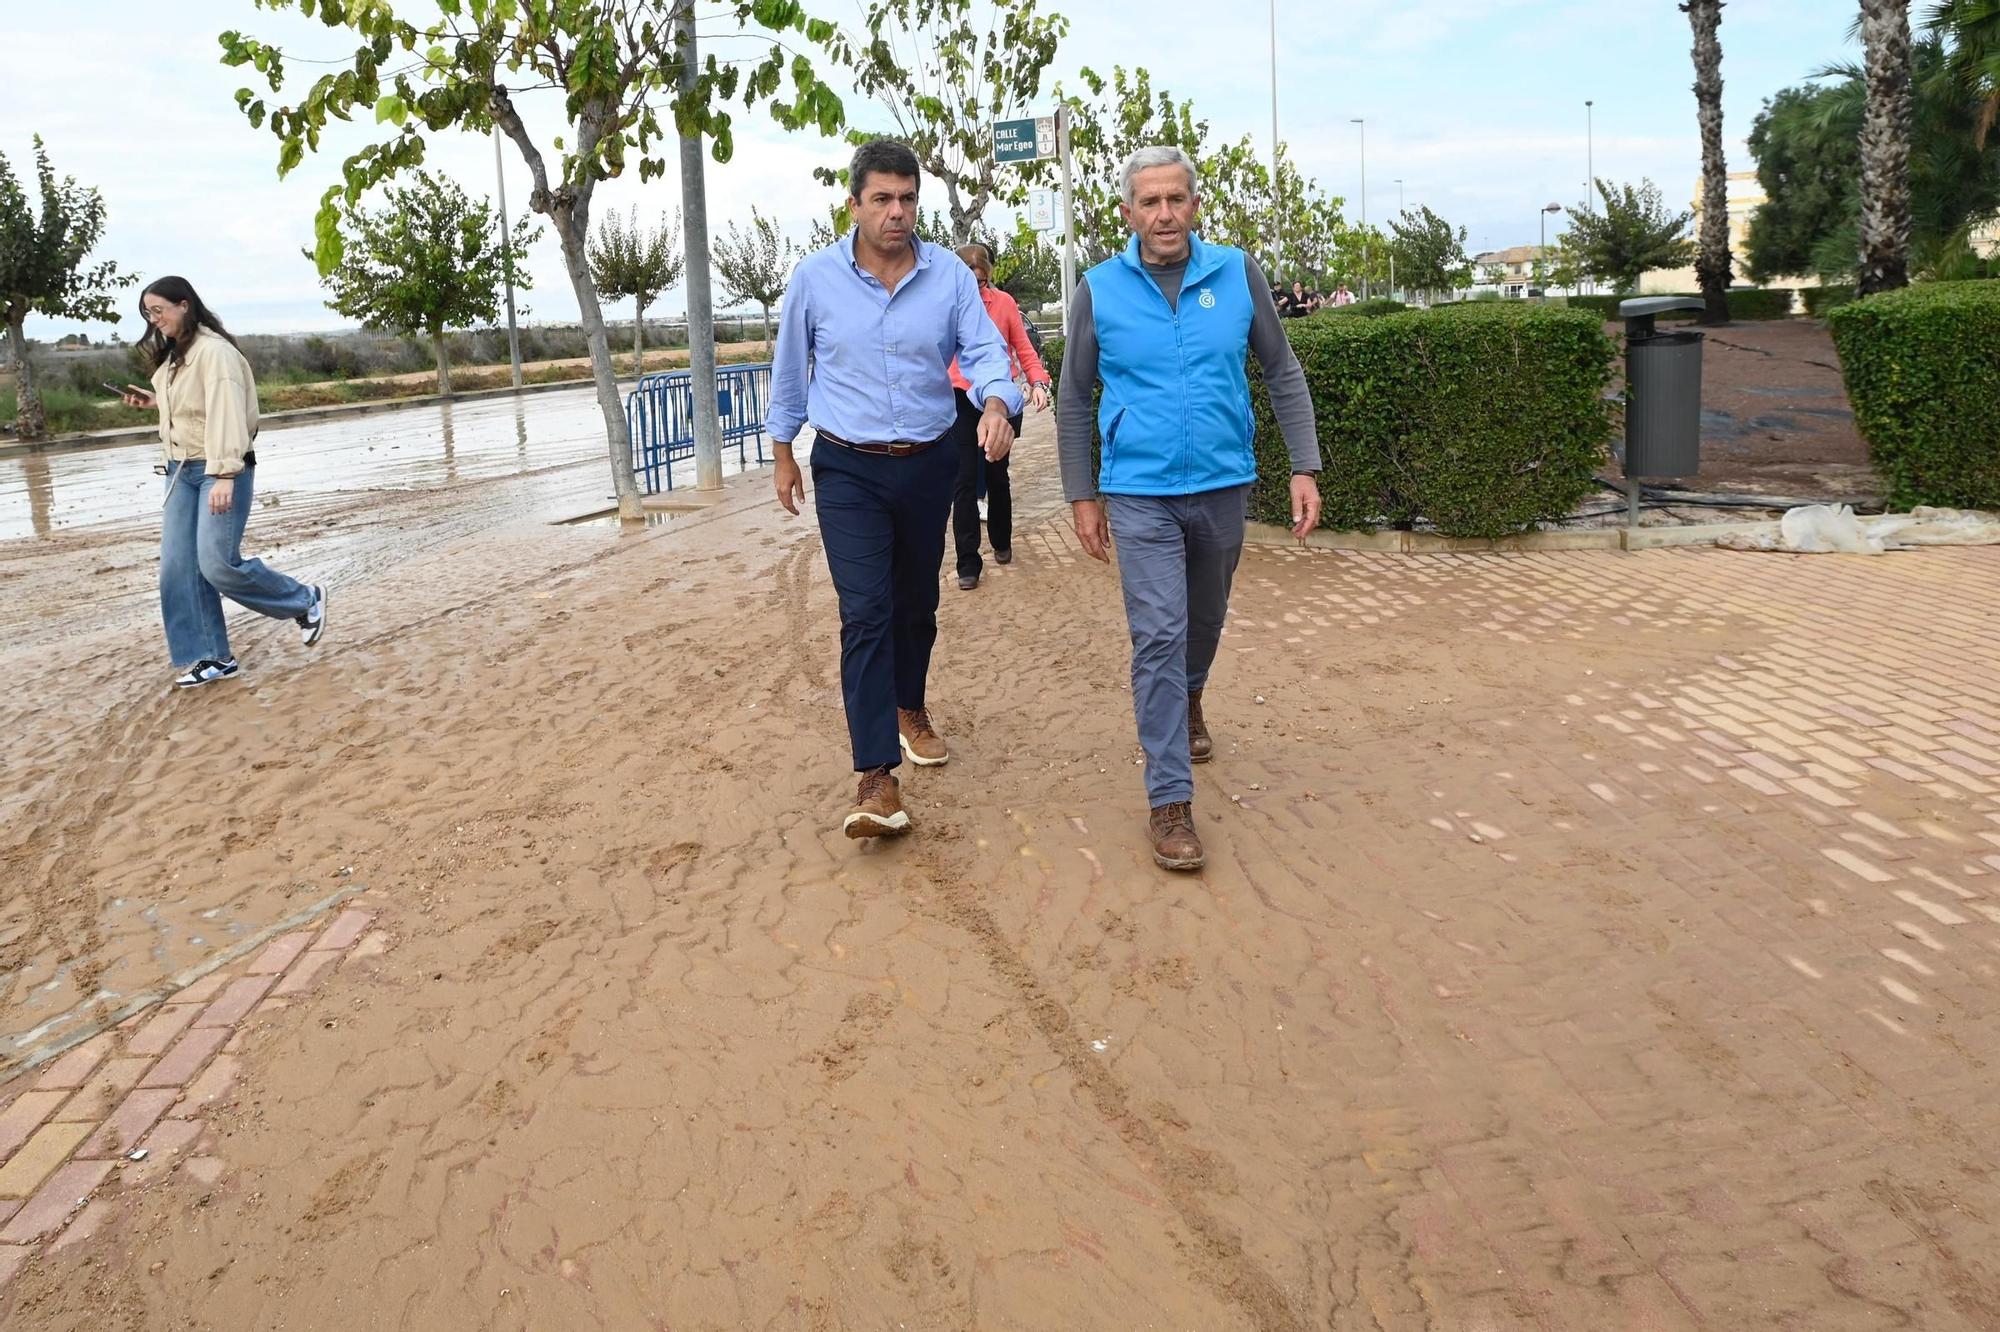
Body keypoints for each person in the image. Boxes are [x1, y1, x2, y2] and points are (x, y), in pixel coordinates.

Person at [1057, 146, 1322, 871]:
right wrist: (1082, 493)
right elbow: (1074, 394)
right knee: (1159, 635)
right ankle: (1169, 800)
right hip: (1139, 492)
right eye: (1150, 202)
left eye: (1176, 199)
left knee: (1201, 624)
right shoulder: (1099, 289)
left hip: (1222, 485)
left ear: (1195, 206)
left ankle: (1192, 695)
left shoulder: (1235, 273)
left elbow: (1281, 367)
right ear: (1127, 213)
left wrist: (1305, 465)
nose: (1164, 213)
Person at [767, 140, 1023, 840]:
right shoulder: (815, 279)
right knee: (867, 609)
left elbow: (982, 353)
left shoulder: (948, 278)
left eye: (907, 198)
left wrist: (997, 405)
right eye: (881, 198)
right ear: (854, 205)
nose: (896, 212)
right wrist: (783, 450)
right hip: (847, 466)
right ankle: (875, 775)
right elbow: (790, 368)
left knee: (917, 605)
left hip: (928, 459)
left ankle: (910, 705)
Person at [118, 276, 325, 689]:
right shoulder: (178, 355)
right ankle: (213, 657)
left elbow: (228, 412)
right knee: (178, 570)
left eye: (158, 310)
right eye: (147, 313)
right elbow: (195, 407)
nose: (153, 319)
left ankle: (305, 600)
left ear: (184, 305)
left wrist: (226, 474)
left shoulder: (215, 353)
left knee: (216, 564)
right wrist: (156, 401)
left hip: (218, 470)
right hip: (179, 472)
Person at [948, 243, 1050, 591]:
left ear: (988, 276)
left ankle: (1002, 542)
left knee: (996, 473)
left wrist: (1038, 382)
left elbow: (1023, 348)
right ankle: (967, 562)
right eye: (969, 281)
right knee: (962, 480)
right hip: (960, 397)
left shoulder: (1004, 303)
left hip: (999, 398)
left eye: (981, 281)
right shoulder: (947, 305)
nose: (976, 289)